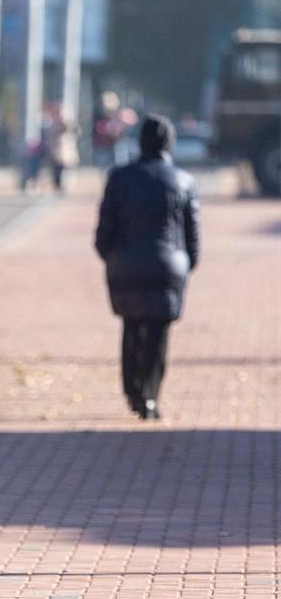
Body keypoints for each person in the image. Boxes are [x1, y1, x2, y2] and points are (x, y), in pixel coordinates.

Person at [95, 114, 200, 420]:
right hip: (168, 266)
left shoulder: (119, 177)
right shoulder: (183, 181)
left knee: (131, 326)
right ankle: (150, 396)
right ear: (170, 143)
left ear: (140, 141)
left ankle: (132, 391)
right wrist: (186, 263)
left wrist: (112, 257)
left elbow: (104, 231)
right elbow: (192, 235)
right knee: (158, 331)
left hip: (124, 264)